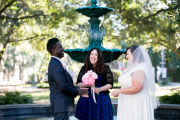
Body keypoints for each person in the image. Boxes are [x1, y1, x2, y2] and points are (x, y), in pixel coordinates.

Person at [111, 45, 160, 120]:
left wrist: (119, 91)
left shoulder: (140, 67)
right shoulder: (133, 67)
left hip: (136, 103)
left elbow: (137, 88)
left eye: (128, 54)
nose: (126, 57)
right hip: (128, 102)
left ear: (135, 55)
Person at [46, 38, 88, 120]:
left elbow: (66, 84)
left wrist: (79, 89)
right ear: (54, 50)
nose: (63, 49)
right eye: (60, 47)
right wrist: (77, 91)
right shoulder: (55, 65)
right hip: (61, 104)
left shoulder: (57, 63)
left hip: (63, 105)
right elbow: (63, 86)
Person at [75, 48, 114, 120]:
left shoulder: (105, 68)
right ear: (89, 56)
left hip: (101, 99)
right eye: (91, 54)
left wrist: (99, 89)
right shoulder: (84, 68)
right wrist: (88, 84)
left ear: (99, 57)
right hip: (86, 99)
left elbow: (110, 84)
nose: (93, 56)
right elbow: (78, 83)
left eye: (96, 55)